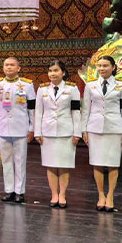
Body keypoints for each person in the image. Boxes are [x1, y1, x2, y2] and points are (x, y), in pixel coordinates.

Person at [81, 55, 122, 212]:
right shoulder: (90, 86)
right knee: (97, 162)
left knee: (113, 163)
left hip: (114, 128)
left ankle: (110, 196)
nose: (101, 69)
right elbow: (86, 109)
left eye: (105, 65)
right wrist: (84, 130)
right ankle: (101, 195)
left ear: (113, 67)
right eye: (99, 66)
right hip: (94, 128)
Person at [34, 60, 81, 208]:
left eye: (56, 70)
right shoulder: (42, 89)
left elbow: (76, 111)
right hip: (47, 131)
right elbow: (38, 112)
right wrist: (37, 132)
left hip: (66, 131)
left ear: (63, 73)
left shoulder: (72, 89)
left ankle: (62, 194)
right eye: (50, 71)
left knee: (64, 165)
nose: (52, 73)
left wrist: (77, 132)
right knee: (51, 165)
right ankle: (54, 194)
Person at [0, 57, 36, 203]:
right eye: (6, 65)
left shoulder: (27, 85)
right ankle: (9, 190)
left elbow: (32, 109)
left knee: (20, 161)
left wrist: (32, 128)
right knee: (6, 161)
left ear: (18, 68)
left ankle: (19, 191)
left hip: (20, 127)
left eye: (12, 65)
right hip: (3, 127)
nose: (9, 67)